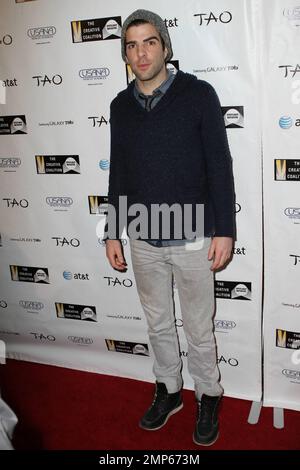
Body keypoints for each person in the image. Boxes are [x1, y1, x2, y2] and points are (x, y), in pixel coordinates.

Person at [105, 9, 235, 446]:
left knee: (199, 328)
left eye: (149, 42)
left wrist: (225, 229)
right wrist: (112, 230)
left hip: (195, 234)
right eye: (131, 45)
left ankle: (209, 394)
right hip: (142, 236)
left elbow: (220, 164)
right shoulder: (120, 106)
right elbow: (118, 171)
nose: (140, 53)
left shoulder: (198, 94)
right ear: (125, 53)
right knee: (158, 324)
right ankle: (169, 389)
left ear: (165, 46)